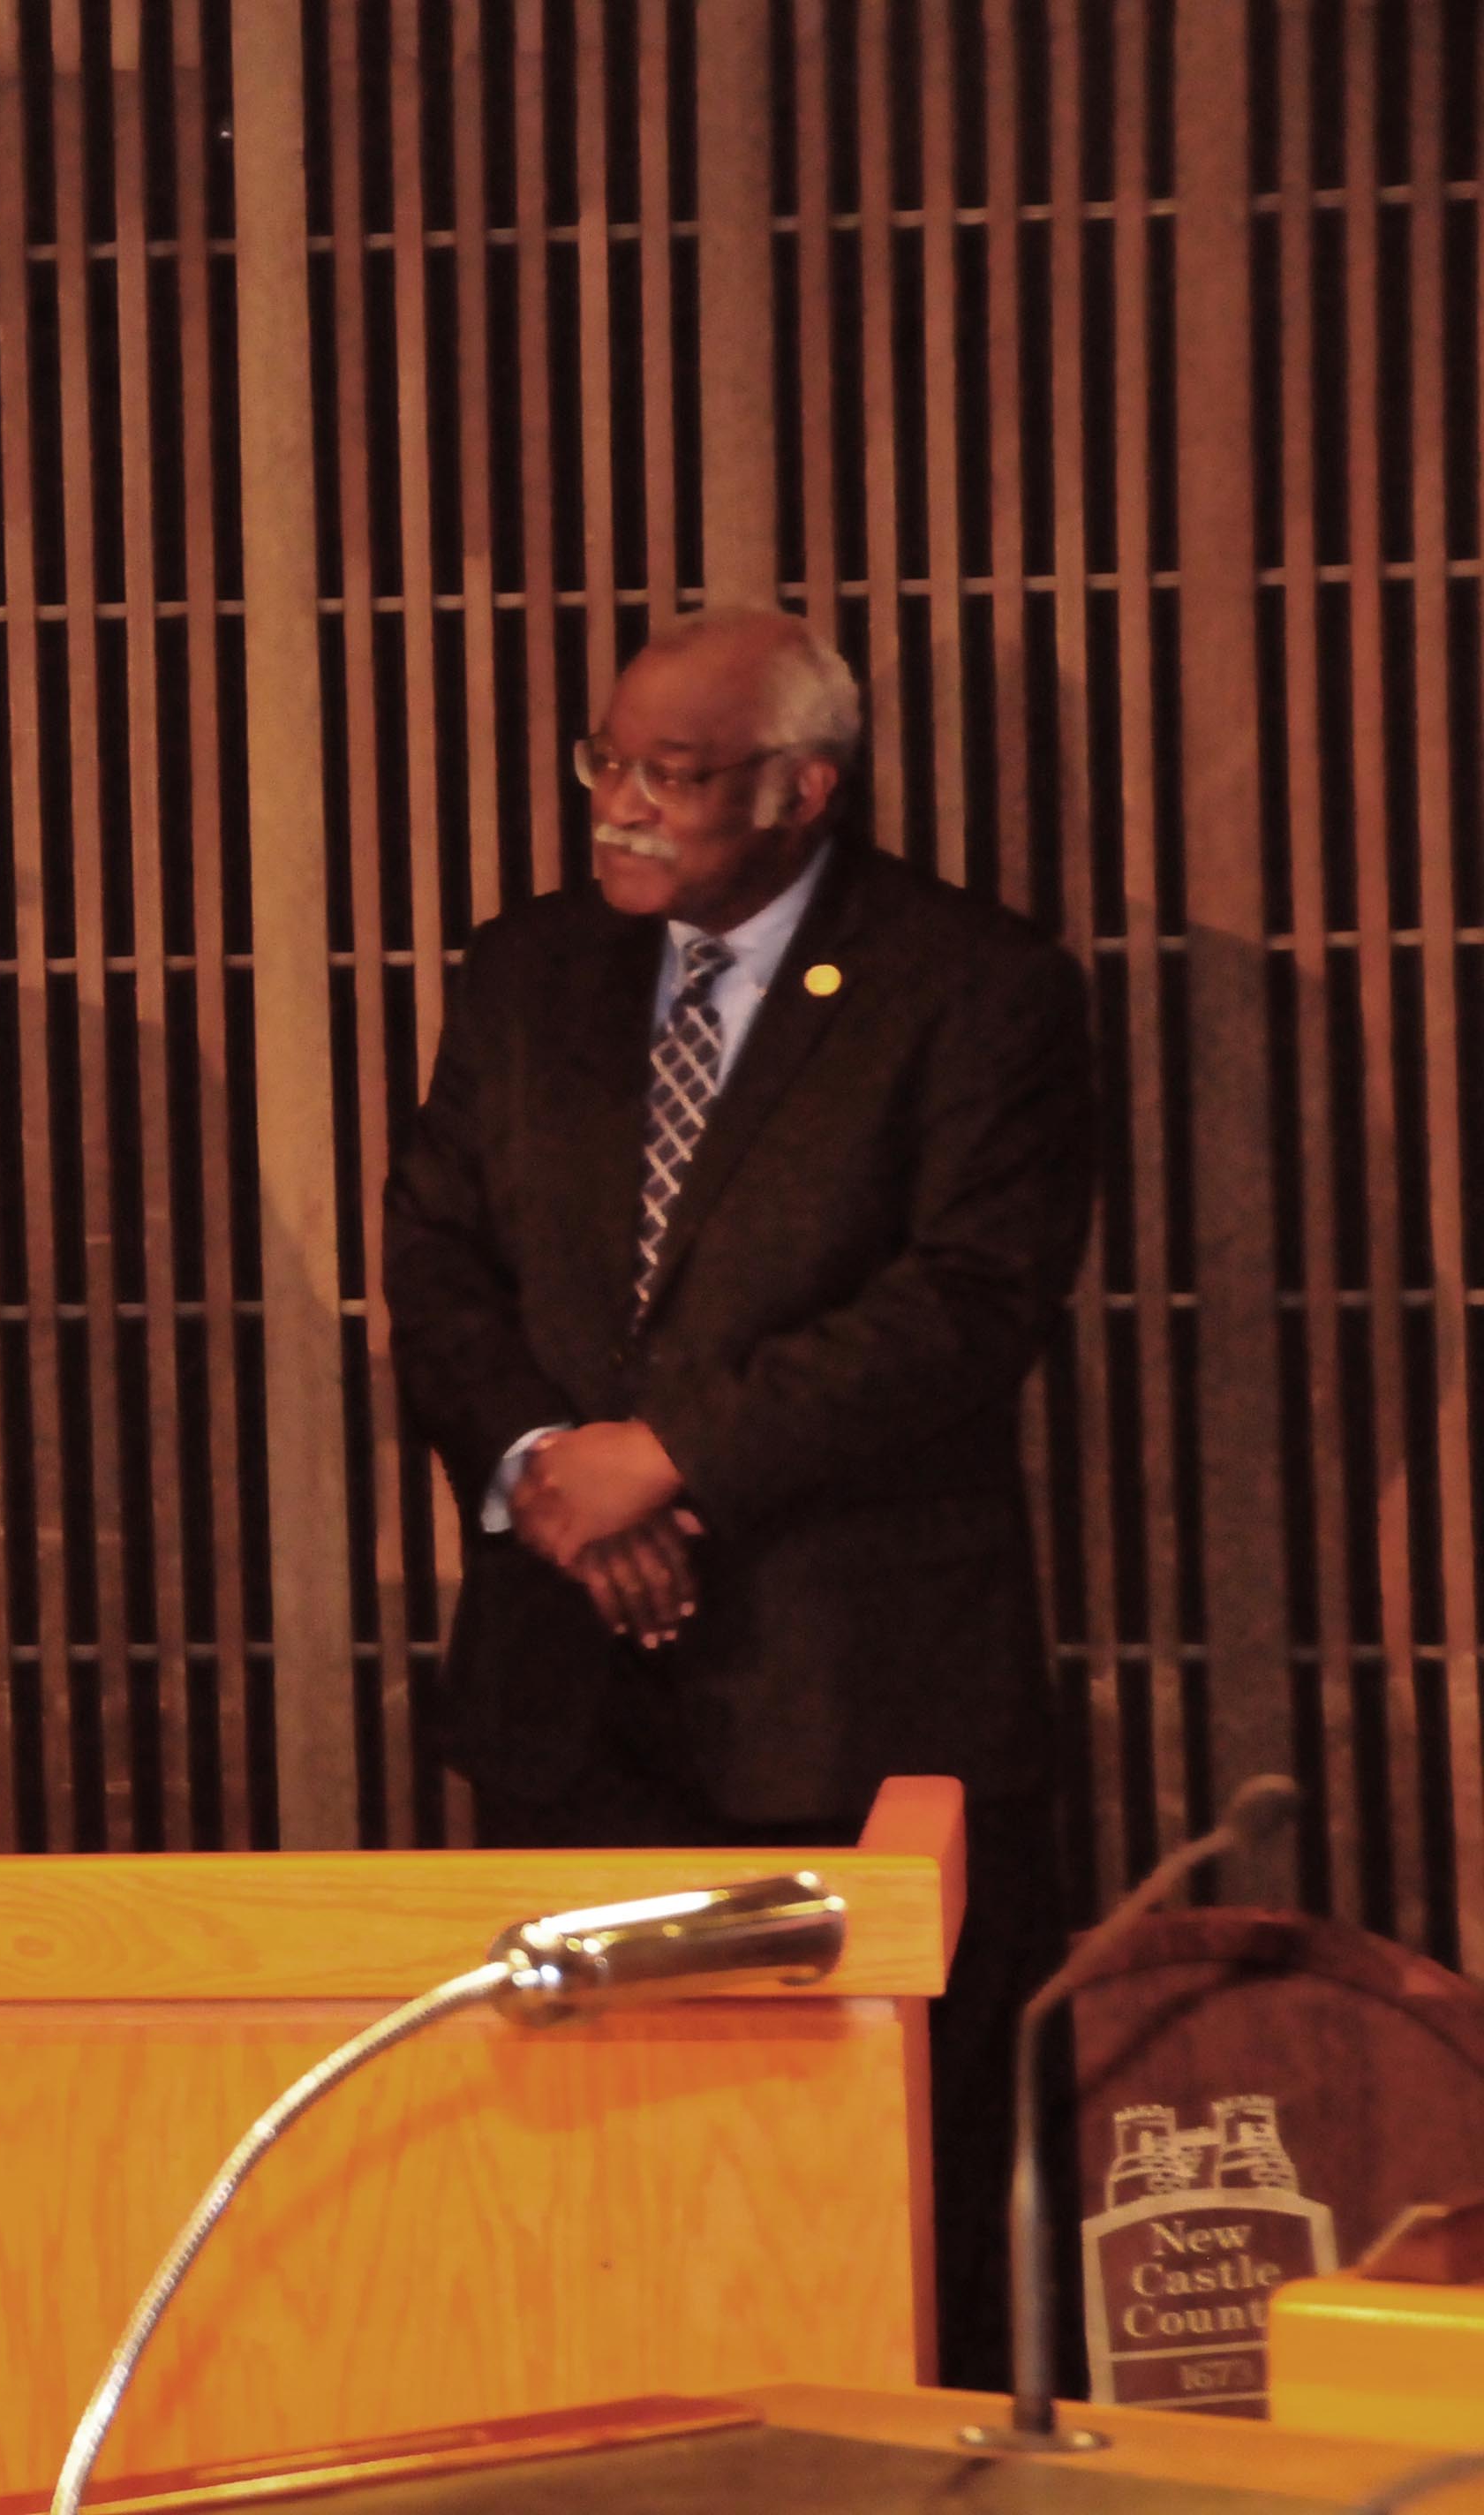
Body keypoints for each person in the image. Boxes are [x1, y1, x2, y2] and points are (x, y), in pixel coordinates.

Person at [379, 607, 1096, 2389]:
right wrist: (549, 1468)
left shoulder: (969, 978)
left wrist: (669, 1455)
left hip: (852, 1692)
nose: (617, 807)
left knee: (876, 2215)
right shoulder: (522, 967)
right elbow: (436, 1264)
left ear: (800, 790)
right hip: (564, 1688)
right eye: (600, 761)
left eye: (668, 775)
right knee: (582, 2188)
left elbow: (965, 1300)